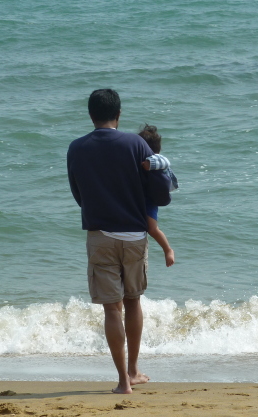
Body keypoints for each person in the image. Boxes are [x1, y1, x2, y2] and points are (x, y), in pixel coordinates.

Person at [67, 89, 153, 394]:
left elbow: (77, 192)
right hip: (135, 235)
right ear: (119, 114)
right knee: (133, 301)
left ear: (91, 115)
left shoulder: (77, 148)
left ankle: (122, 382)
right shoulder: (136, 144)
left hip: (100, 235)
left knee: (112, 310)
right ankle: (134, 371)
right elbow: (154, 185)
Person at [137, 124, 178, 267]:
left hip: (150, 199)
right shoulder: (137, 159)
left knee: (152, 228)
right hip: (143, 196)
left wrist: (150, 163)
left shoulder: (157, 159)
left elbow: (165, 161)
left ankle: (168, 250)